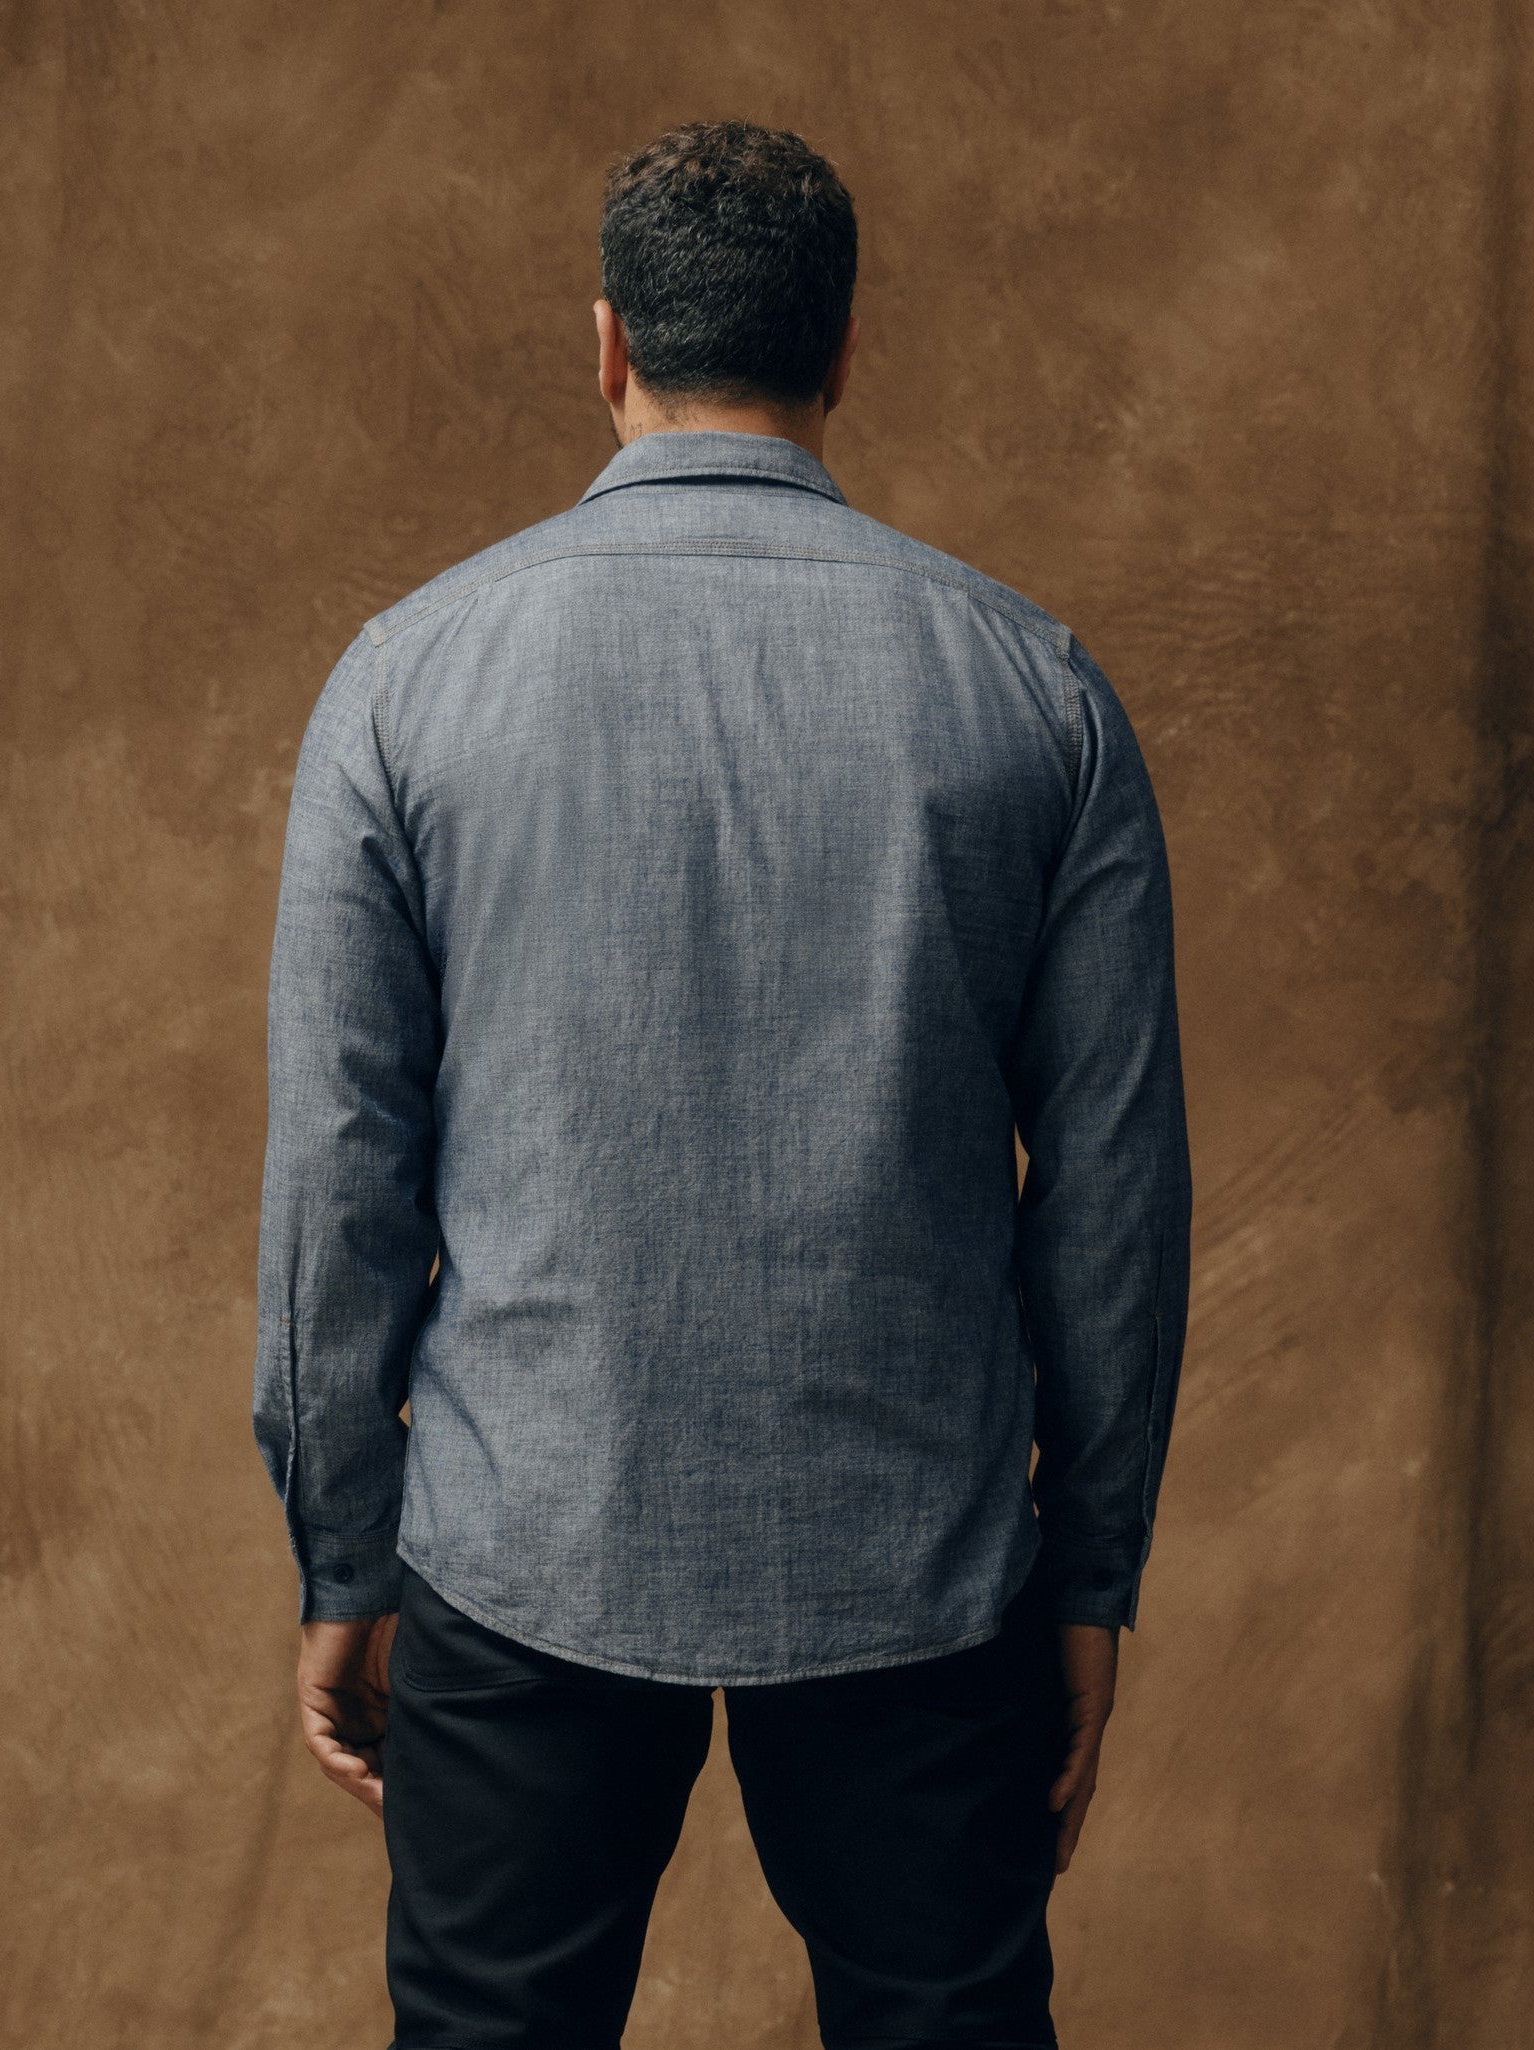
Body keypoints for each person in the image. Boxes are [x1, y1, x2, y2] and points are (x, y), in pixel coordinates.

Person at [252, 118, 1193, 2050]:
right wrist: (1089, 1571)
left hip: (527, 1533)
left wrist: (345, 1545)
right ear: (842, 349)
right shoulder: (1037, 690)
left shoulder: (407, 680)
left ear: (606, 344)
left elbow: (339, 1177)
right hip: (925, 1564)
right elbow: (1112, 1192)